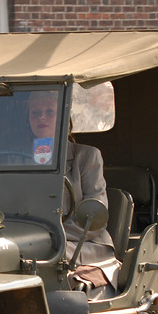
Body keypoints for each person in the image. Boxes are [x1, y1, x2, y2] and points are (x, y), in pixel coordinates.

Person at [28, 91, 119, 299]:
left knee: (32, 251)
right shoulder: (20, 159)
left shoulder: (86, 157)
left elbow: (96, 220)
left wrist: (52, 238)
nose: (41, 117)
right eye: (35, 113)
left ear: (64, 120)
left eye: (49, 112)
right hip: (33, 242)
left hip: (84, 245)